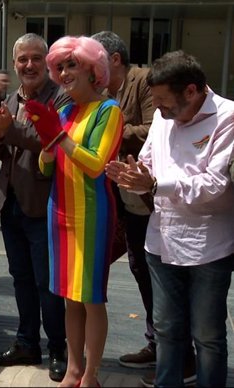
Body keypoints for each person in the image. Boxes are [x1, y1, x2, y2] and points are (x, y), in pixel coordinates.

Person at [106, 50, 234, 388]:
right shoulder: (164, 117)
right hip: (161, 241)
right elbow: (149, 155)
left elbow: (216, 185)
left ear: (191, 91)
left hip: (209, 246)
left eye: (164, 104)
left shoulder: (228, 117)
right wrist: (135, 172)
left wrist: (154, 183)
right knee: (166, 329)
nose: (158, 111)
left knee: (207, 335)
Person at [27, 36, 123, 387]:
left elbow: (97, 165)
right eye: (60, 66)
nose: (64, 72)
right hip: (60, 214)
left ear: (94, 70)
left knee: (91, 298)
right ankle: (73, 369)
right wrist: (47, 145)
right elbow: (46, 167)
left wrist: (59, 138)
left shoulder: (108, 110)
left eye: (72, 65)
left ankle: (91, 375)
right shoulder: (65, 111)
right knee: (69, 297)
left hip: (92, 215)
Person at [0, 33, 70, 382]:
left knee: (47, 284)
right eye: (23, 60)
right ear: (15, 64)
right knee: (21, 279)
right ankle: (26, 342)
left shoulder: (60, 96)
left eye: (36, 58)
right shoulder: (14, 98)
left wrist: (9, 130)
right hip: (13, 203)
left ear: (47, 62)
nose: (29, 65)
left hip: (44, 203)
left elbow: (52, 139)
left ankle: (58, 348)